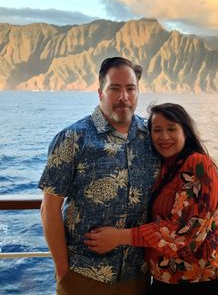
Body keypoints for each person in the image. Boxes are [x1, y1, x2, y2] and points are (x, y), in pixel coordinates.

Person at [85, 103, 218, 295]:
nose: (164, 136)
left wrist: (119, 236)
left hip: (201, 282)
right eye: (157, 130)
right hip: (164, 279)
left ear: (186, 132)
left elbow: (185, 232)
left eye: (172, 129)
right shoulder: (166, 166)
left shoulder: (197, 163)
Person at [38, 57, 161, 295]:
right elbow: (49, 209)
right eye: (114, 88)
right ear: (100, 93)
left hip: (138, 276)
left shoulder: (152, 135)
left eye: (130, 88)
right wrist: (63, 270)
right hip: (84, 276)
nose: (123, 96)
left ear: (138, 92)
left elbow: (187, 164)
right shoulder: (73, 138)